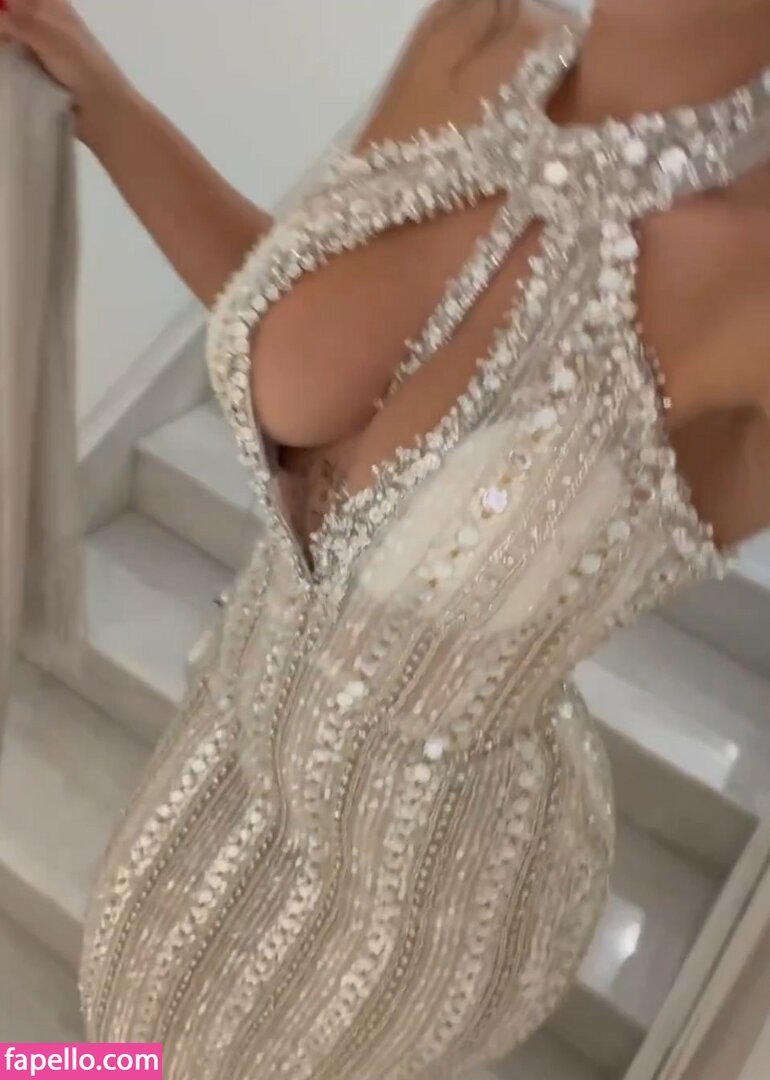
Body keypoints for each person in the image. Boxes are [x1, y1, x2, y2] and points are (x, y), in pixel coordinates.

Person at [2, 0, 769, 1076]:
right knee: (109, 1032)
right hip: (229, 733)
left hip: (423, 890)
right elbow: (303, 334)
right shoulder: (475, 35)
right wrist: (110, 105)